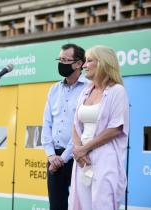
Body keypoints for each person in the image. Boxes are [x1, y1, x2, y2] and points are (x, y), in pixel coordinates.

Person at [69, 45, 129, 210]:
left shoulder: (117, 91)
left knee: (102, 204)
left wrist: (84, 148)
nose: (84, 65)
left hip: (105, 158)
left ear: (102, 63)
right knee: (81, 204)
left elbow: (115, 128)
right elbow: (75, 125)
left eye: (89, 61)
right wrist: (77, 149)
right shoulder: (85, 92)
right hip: (82, 159)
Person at [41, 43, 87, 210]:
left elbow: (81, 127)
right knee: (56, 205)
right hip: (54, 158)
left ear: (79, 63)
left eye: (66, 60)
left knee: (78, 205)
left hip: (78, 156)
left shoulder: (88, 88)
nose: (61, 63)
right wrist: (51, 155)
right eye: (60, 59)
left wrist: (64, 157)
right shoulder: (54, 89)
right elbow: (46, 123)